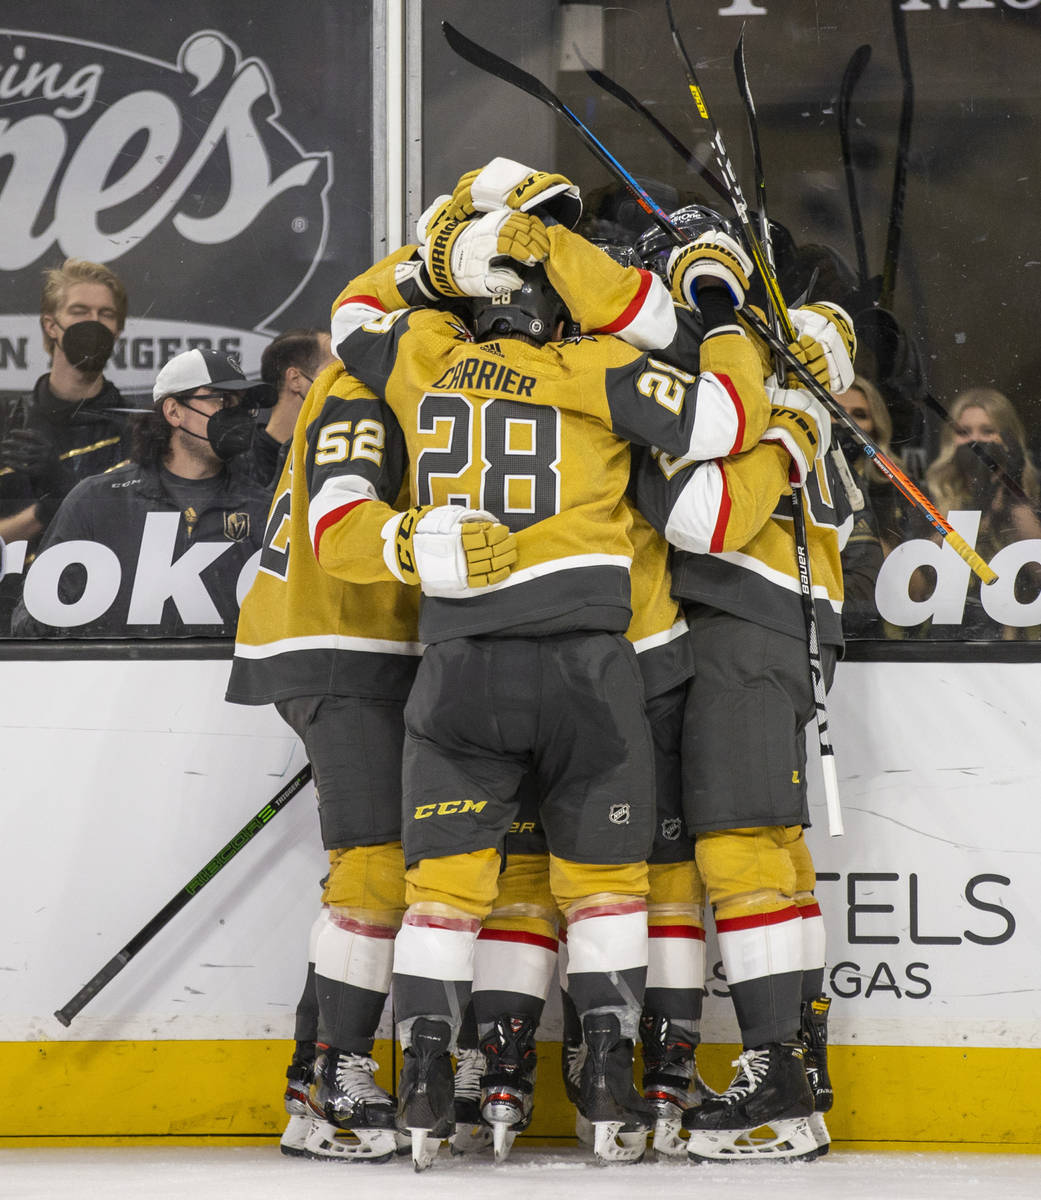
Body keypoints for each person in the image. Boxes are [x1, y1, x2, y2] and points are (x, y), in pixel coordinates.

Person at [324, 163, 774, 1169]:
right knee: (607, 889)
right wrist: (726, 306)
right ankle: (610, 1078)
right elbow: (727, 423)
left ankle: (431, 1081)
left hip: (459, 666)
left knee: (444, 892)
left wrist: (446, 245)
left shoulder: (426, 355)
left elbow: (353, 306)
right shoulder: (594, 369)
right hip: (584, 667)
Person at [634, 204, 857, 1162]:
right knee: (767, 849)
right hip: (780, 623)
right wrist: (805, 399)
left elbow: (702, 520)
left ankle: (778, 1087)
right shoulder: (782, 366)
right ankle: (796, 1069)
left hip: (742, 620)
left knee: (739, 850)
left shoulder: (726, 376)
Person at [226, 359, 421, 1163]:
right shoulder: (362, 379)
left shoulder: (389, 368)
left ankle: (315, 1076)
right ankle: (332, 1077)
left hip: (356, 644)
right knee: (375, 867)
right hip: (337, 640)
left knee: (379, 870)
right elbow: (342, 522)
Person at [10, 348, 270, 638]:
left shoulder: (264, 509)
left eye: (243, 405)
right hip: (114, 682)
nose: (238, 415)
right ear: (173, 411)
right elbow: (34, 623)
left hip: (221, 684)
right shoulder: (99, 500)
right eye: (222, 400)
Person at [0, 258, 131, 630]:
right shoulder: (7, 420)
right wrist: (51, 509)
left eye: (105, 314)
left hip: (94, 622)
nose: (93, 322)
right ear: (51, 325)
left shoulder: (139, 429)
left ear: (118, 329)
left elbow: (132, 537)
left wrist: (60, 491)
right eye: (79, 310)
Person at [920, 386, 1041, 640]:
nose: (976, 442)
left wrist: (1013, 495)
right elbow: (921, 578)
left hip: (1026, 646)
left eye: (988, 431)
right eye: (965, 433)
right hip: (948, 641)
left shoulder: (1033, 497)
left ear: (1008, 439)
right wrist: (976, 506)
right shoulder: (929, 496)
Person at [249, 328, 335, 488]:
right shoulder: (243, 465)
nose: (345, 382)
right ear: (295, 379)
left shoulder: (335, 455)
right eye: (334, 372)